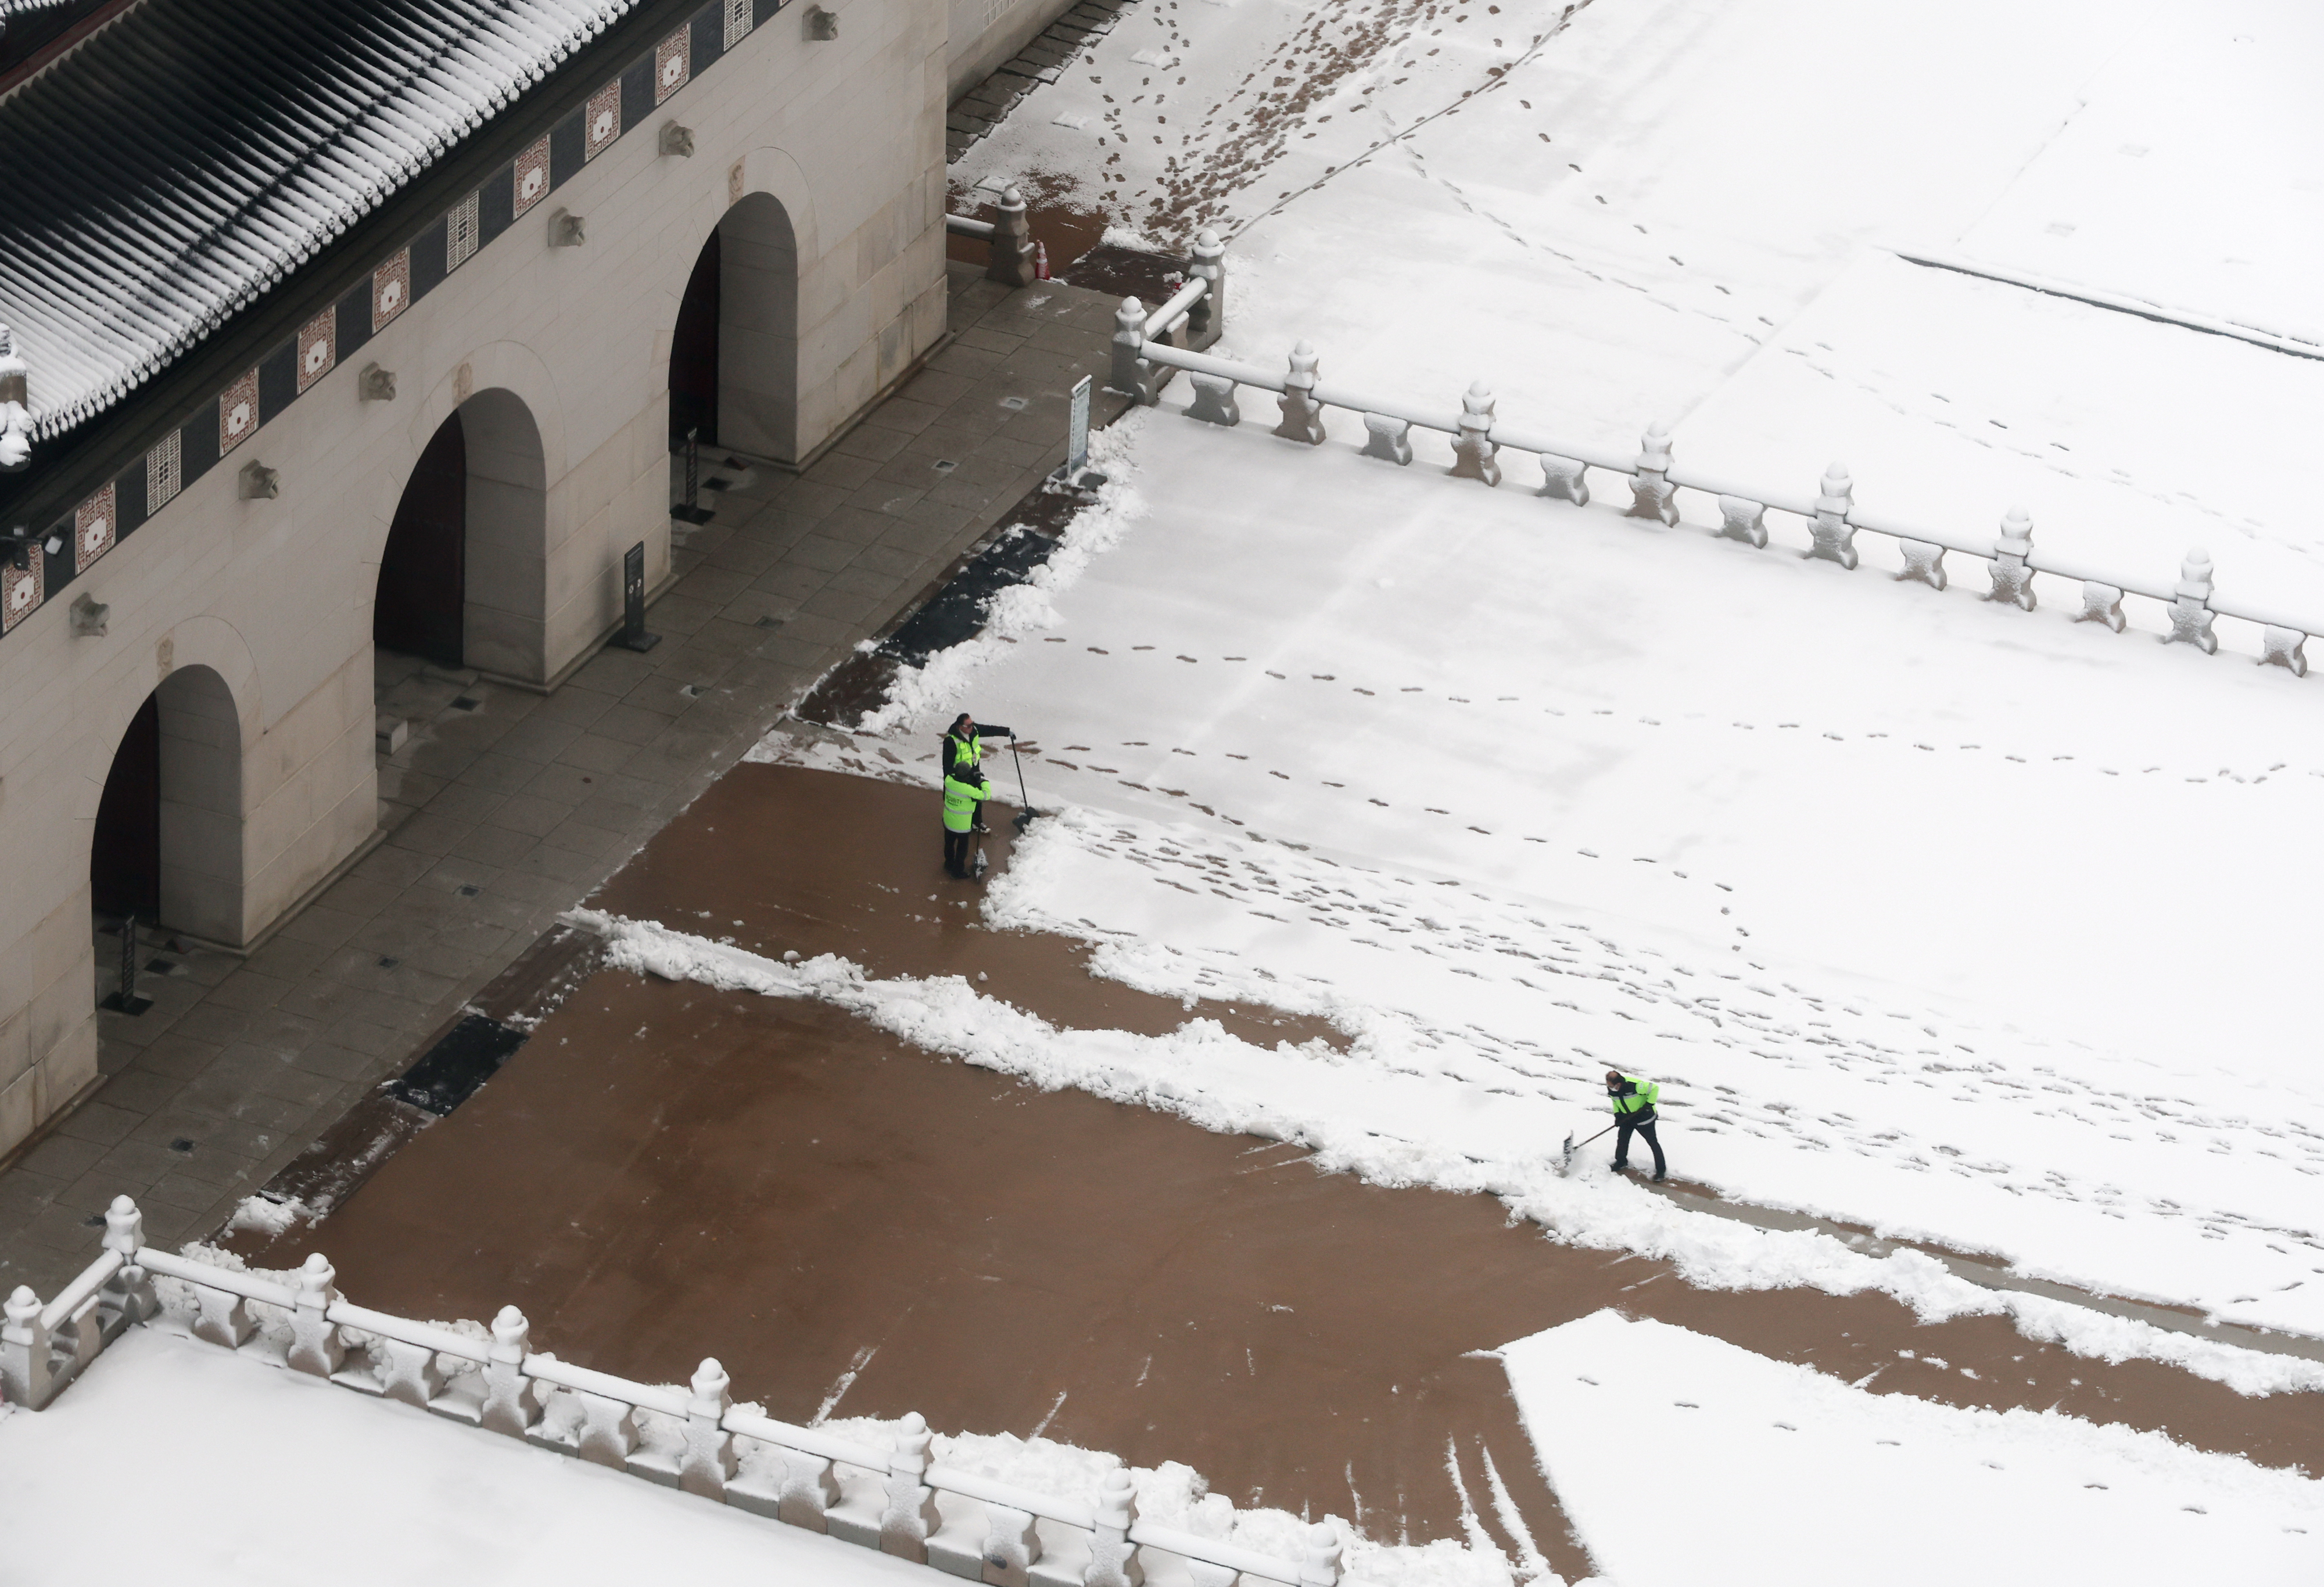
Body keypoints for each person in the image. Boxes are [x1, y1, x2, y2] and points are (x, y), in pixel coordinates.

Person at [1605, 1069, 1666, 1182]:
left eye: (1612, 1086)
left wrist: (1649, 1104)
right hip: (1626, 1118)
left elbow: (1654, 1088)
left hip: (1644, 1118)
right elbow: (1615, 1101)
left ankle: (1661, 1171)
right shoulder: (1612, 1088)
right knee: (1622, 1140)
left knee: (1653, 1143)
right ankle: (1621, 1161)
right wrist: (1618, 1115)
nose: (1610, 1088)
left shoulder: (1634, 1086)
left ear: (1618, 1084)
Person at [941, 763, 993, 878]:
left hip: (948, 821)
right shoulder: (968, 790)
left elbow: (954, 776)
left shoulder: (949, 780)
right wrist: (984, 782)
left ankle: (949, 864)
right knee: (962, 850)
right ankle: (957, 872)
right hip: (962, 826)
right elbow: (985, 796)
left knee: (949, 845)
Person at [942, 713, 1017, 779]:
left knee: (977, 794)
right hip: (959, 776)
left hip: (975, 772)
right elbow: (947, 765)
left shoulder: (974, 730)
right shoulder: (951, 740)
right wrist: (949, 782)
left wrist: (1007, 732)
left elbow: (990, 730)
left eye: (972, 724)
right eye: (969, 726)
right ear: (960, 727)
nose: (971, 727)